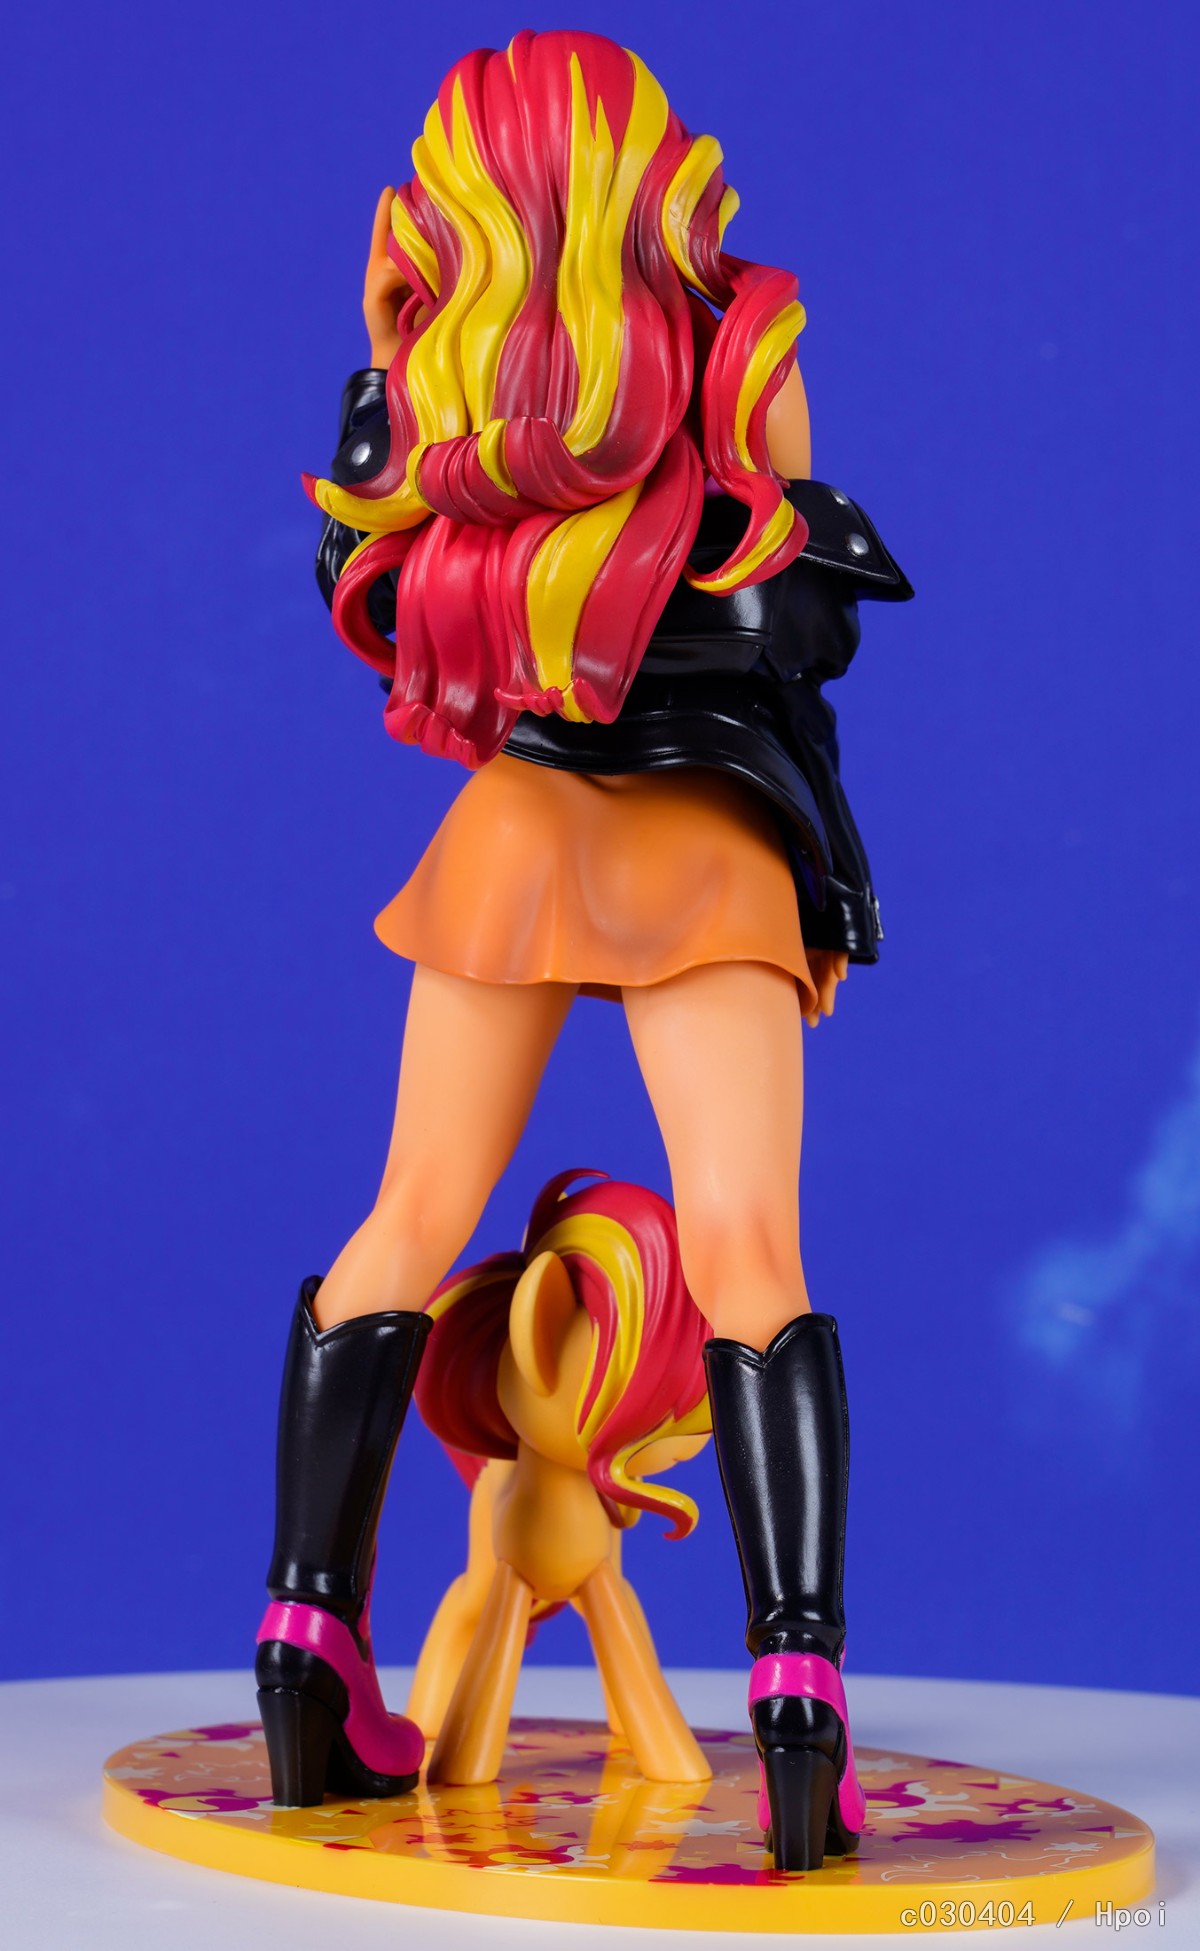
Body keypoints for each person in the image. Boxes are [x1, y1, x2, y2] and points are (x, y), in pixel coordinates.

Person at [255, 29, 911, 1871]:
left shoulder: (430, 371)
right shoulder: (743, 335)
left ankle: (307, 1645)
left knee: (405, 1218)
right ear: (645, 164)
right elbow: (801, 632)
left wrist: (391, 363)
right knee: (749, 1251)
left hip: (520, 832)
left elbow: (366, 601)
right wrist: (830, 871)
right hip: (707, 839)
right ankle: (799, 1705)